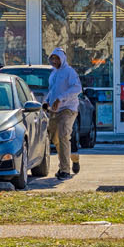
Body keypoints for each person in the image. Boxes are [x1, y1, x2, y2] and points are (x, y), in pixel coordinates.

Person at [45, 47, 83, 178]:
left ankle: (65, 170)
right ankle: (74, 157)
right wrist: (47, 101)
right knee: (56, 139)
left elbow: (77, 88)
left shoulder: (69, 72)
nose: (54, 61)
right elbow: (52, 91)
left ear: (62, 59)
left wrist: (61, 98)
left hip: (68, 109)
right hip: (55, 110)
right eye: (52, 58)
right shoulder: (53, 73)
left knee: (63, 136)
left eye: (56, 58)